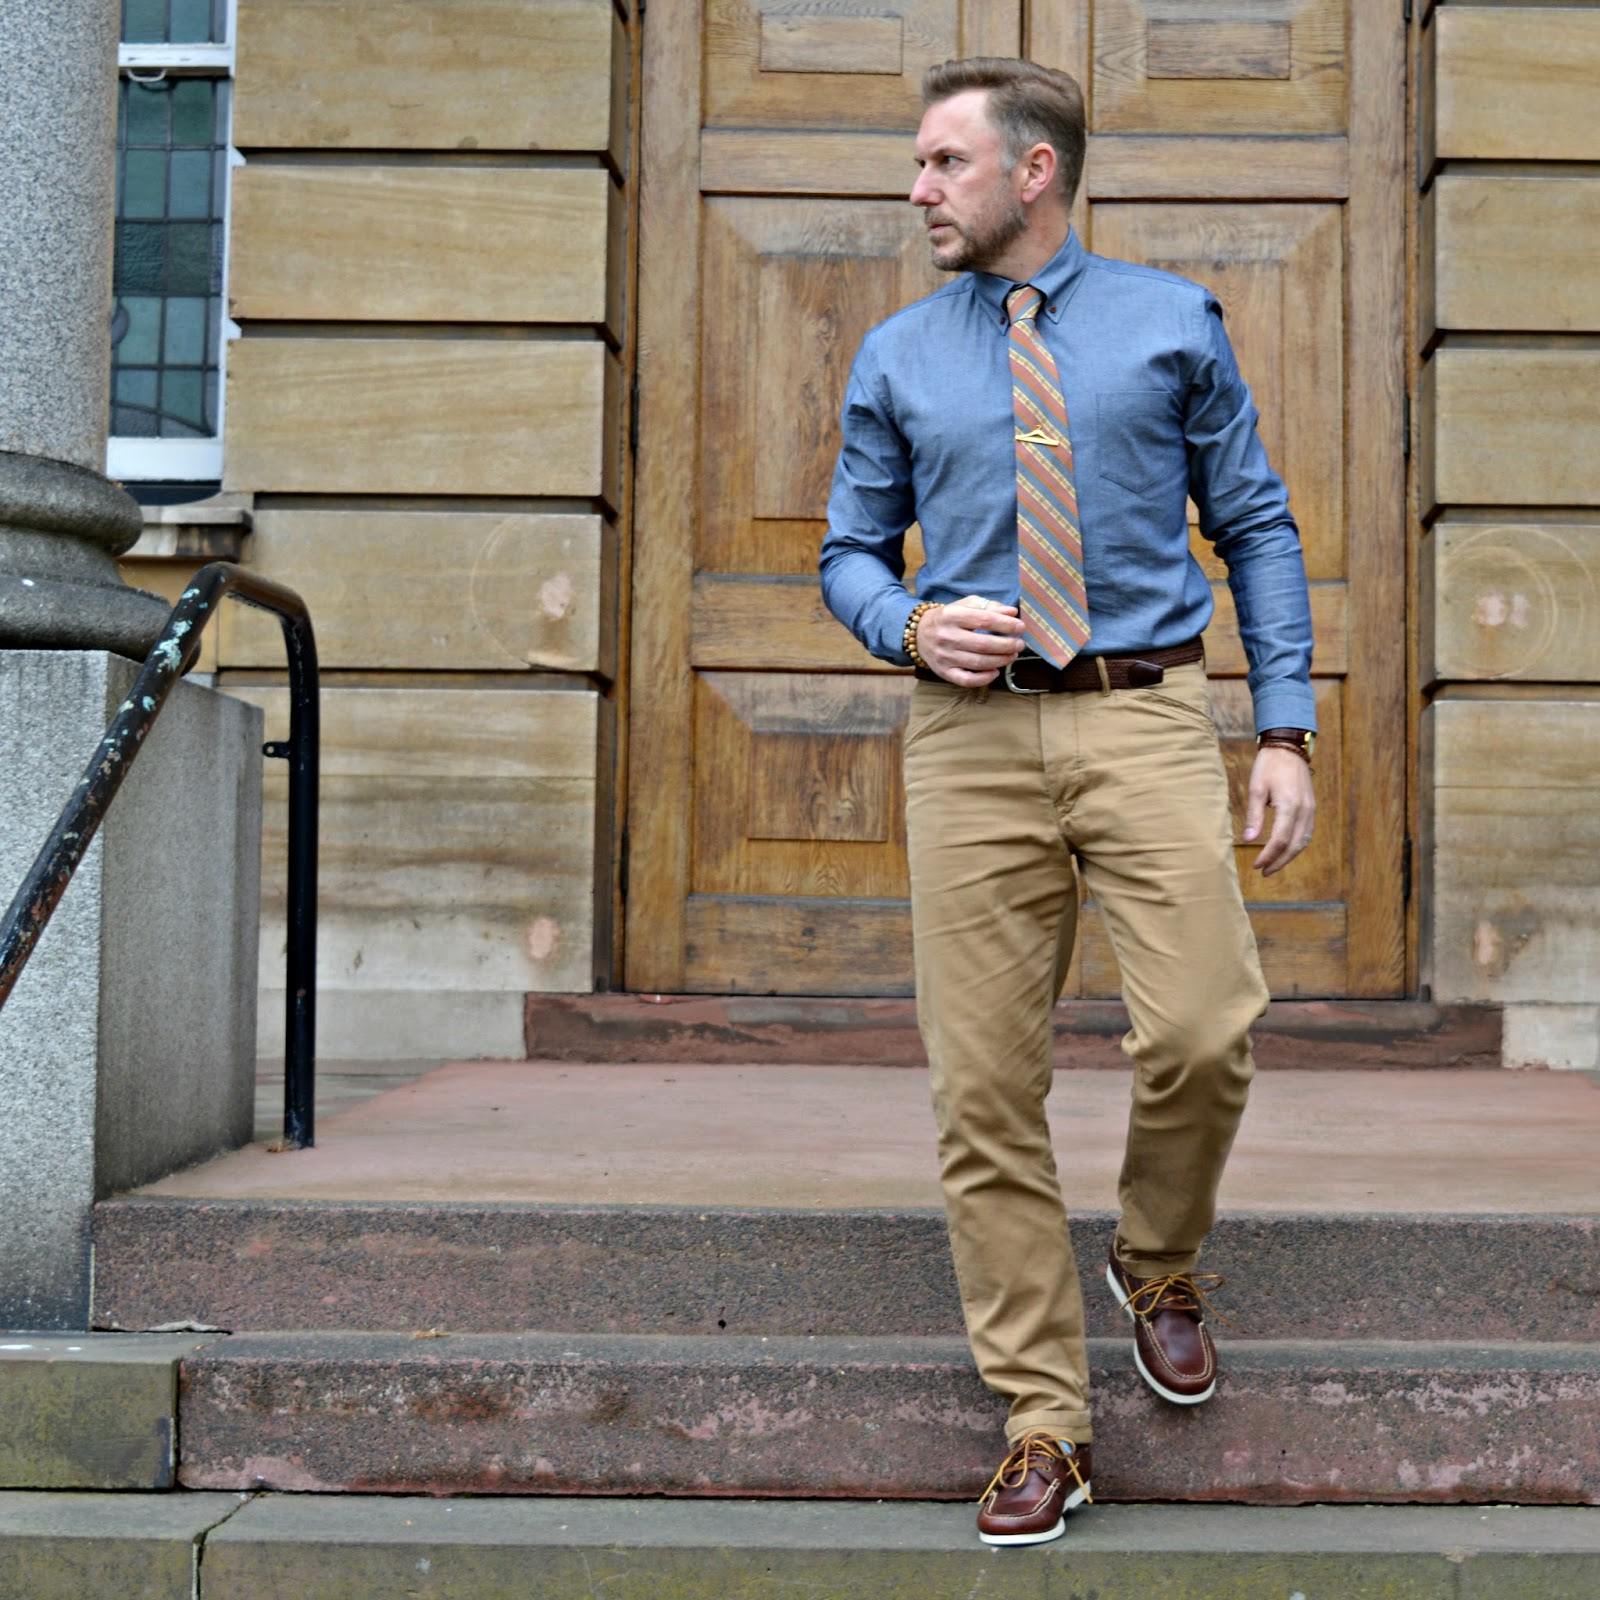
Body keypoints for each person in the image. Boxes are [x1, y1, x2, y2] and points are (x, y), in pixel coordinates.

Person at [819, 56, 1318, 1548]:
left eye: (940, 165)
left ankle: (1155, 1255)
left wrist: (1282, 726)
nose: (917, 192)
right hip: (968, 742)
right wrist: (905, 621)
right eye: (918, 166)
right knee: (982, 1090)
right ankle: (1045, 1421)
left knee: (1205, 1022)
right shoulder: (899, 354)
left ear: (1033, 172)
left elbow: (1257, 525)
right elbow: (846, 547)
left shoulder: (1170, 323)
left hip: (1146, 717)